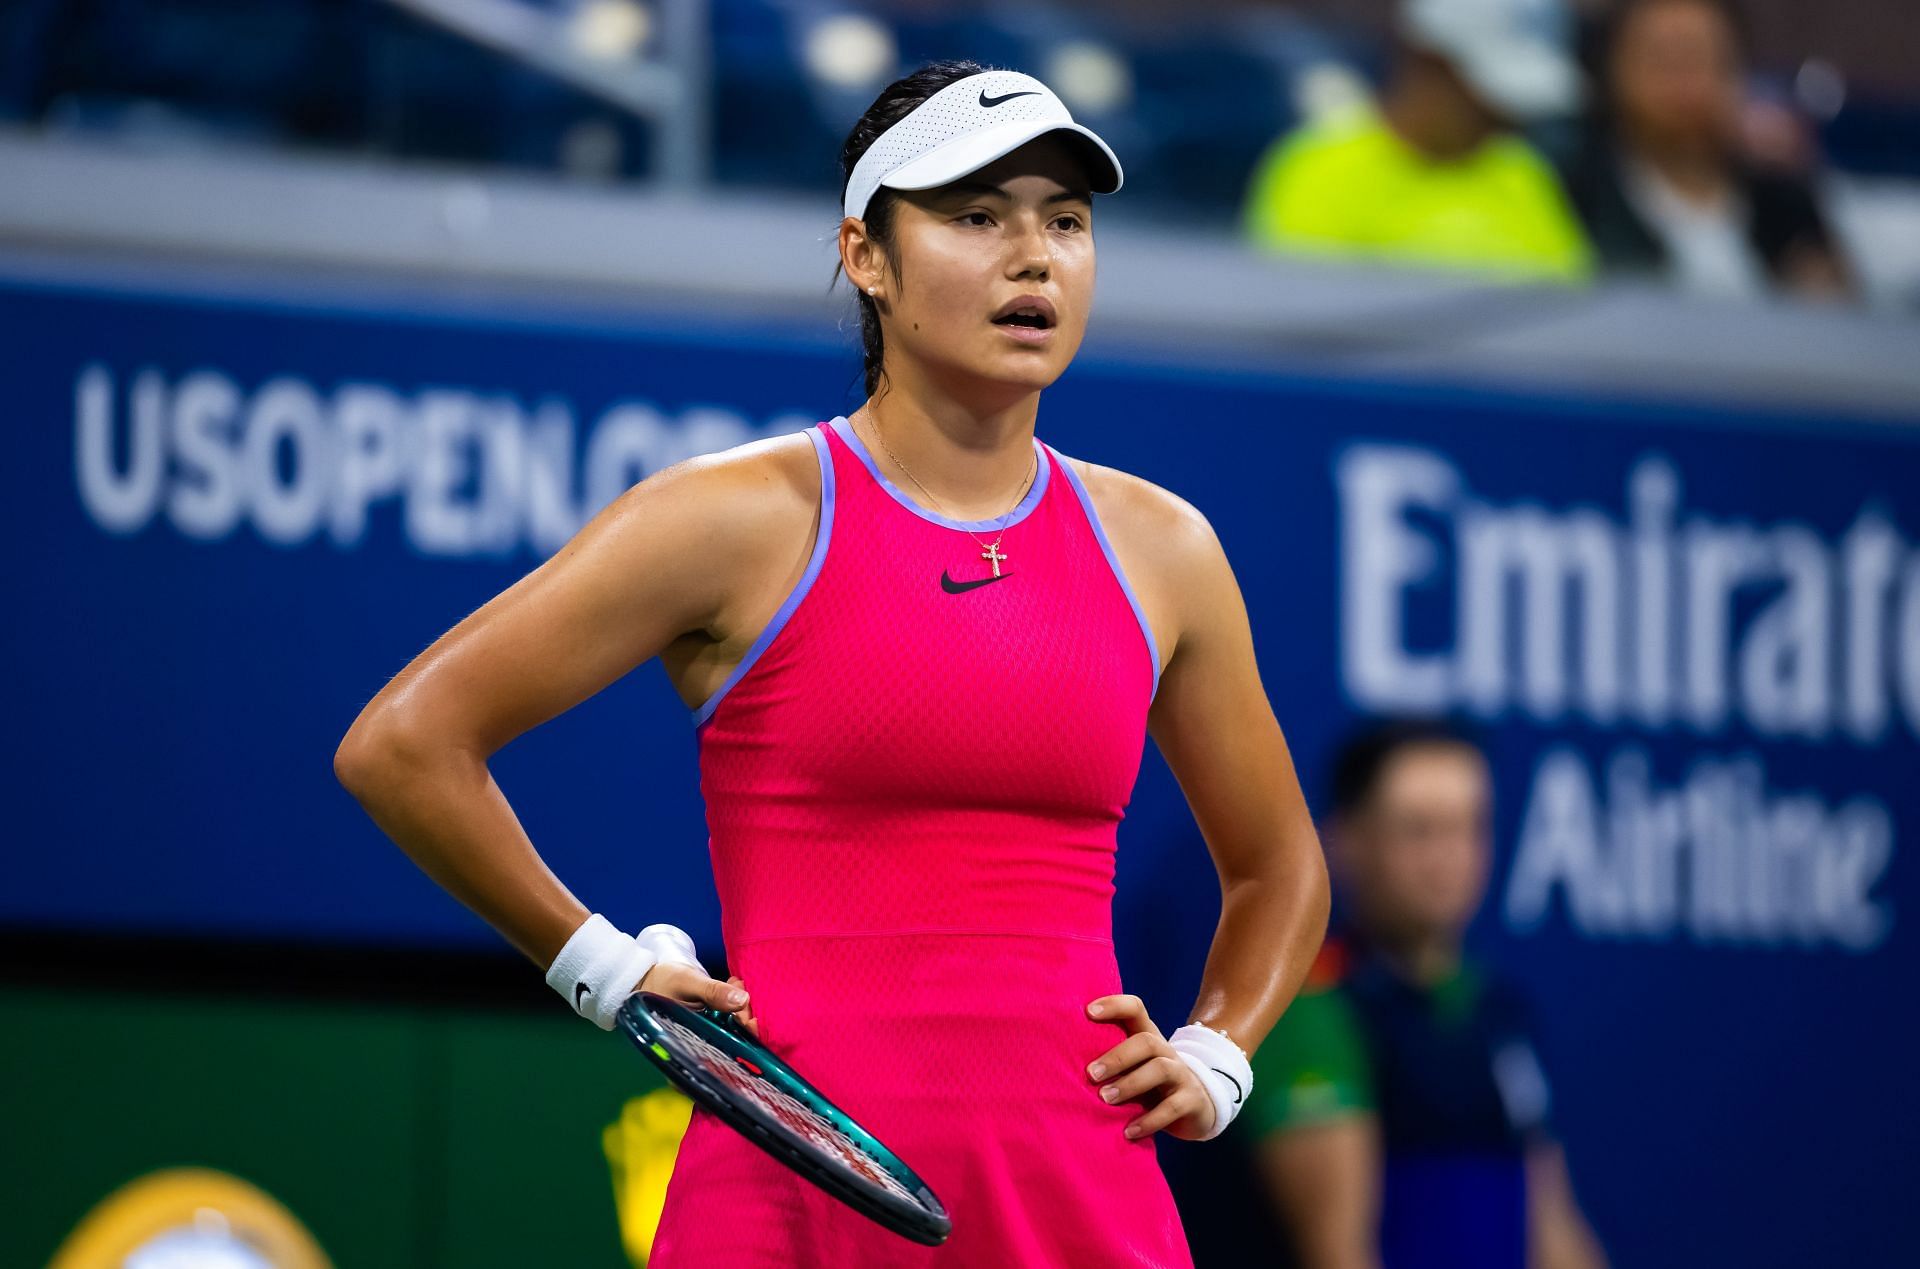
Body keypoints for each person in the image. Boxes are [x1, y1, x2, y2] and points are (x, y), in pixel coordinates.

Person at [333, 59, 1331, 1267]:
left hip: (1079, 1190)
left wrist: (1218, 1055)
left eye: (1064, 221)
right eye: (976, 217)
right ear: (866, 254)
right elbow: (405, 745)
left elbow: (1280, 868)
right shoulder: (733, 517)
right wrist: (602, 971)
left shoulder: (1166, 549)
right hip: (791, 1195)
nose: (1035, 257)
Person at [1240, 718, 1607, 1269]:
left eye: (1469, 827)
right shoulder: (1315, 1013)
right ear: (1348, 842)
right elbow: (1338, 1250)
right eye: (1419, 830)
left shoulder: (1497, 1009)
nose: (1449, 858)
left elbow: (1552, 1225)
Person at [1242, 0, 1593, 284]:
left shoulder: (1522, 172)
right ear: (1429, 63)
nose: (1504, 120)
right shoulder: (1317, 166)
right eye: (1486, 99)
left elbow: (1576, 304)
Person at [1561, 0, 1854, 301]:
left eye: (1703, 58)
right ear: (1612, 73)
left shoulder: (1787, 205)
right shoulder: (1574, 197)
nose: (1685, 85)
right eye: (1663, 61)